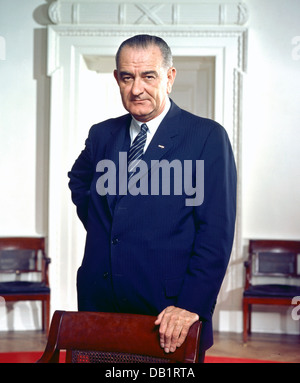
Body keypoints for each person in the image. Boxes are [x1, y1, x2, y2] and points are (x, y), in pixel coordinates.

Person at [68, 34, 236, 361]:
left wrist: (190, 306)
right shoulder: (102, 135)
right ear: (117, 78)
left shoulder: (206, 137)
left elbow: (215, 233)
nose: (136, 89)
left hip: (169, 310)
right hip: (101, 301)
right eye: (127, 77)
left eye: (148, 76)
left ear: (169, 77)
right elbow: (79, 181)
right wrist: (106, 226)